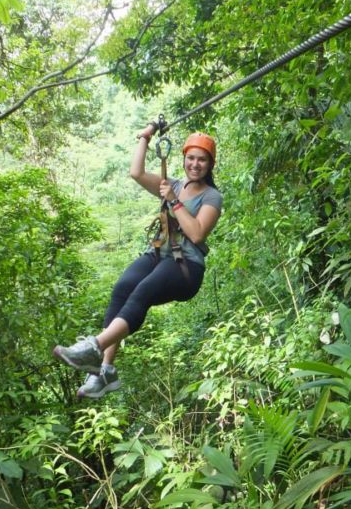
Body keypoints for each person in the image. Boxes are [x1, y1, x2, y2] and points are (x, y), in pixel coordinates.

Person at [53, 123, 223, 398]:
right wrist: (145, 137)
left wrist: (174, 202)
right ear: (184, 159)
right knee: (123, 287)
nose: (195, 164)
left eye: (201, 159)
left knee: (143, 291)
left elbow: (197, 232)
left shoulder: (212, 196)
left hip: (186, 266)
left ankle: (94, 348)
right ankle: (105, 371)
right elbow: (137, 172)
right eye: (191, 158)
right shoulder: (174, 184)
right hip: (159, 255)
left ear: (210, 164)